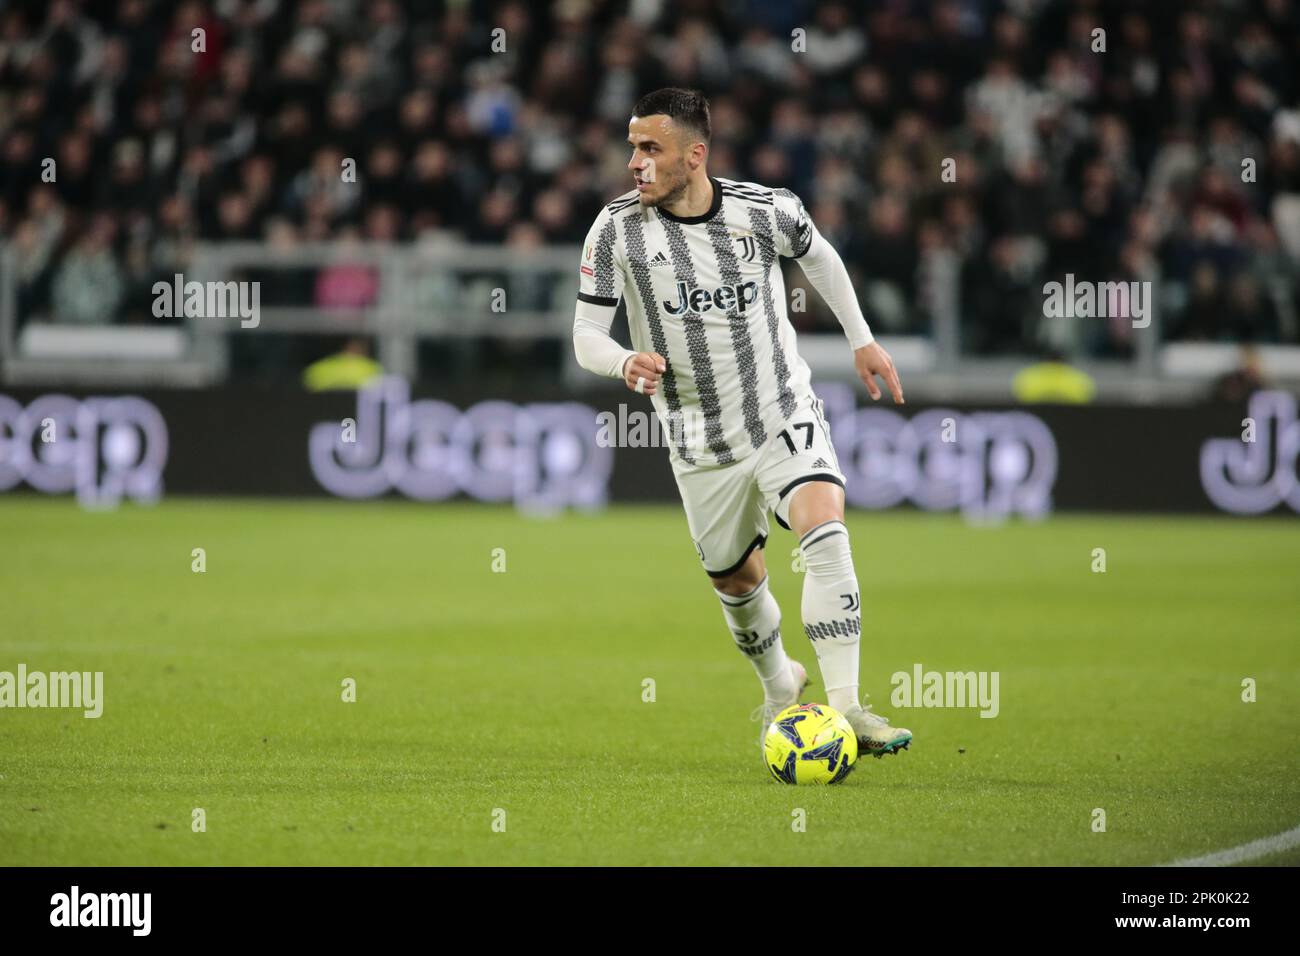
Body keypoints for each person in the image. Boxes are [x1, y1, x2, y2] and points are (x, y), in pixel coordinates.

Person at [571, 88, 911, 757]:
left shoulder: (764, 210)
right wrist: (623, 362)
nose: (635, 162)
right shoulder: (615, 229)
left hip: (781, 409)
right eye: (632, 147)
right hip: (698, 437)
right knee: (736, 580)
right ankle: (780, 685)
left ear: (694, 155)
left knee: (825, 527)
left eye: (651, 149)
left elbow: (820, 256)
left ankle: (848, 712)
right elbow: (585, 334)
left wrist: (861, 338)